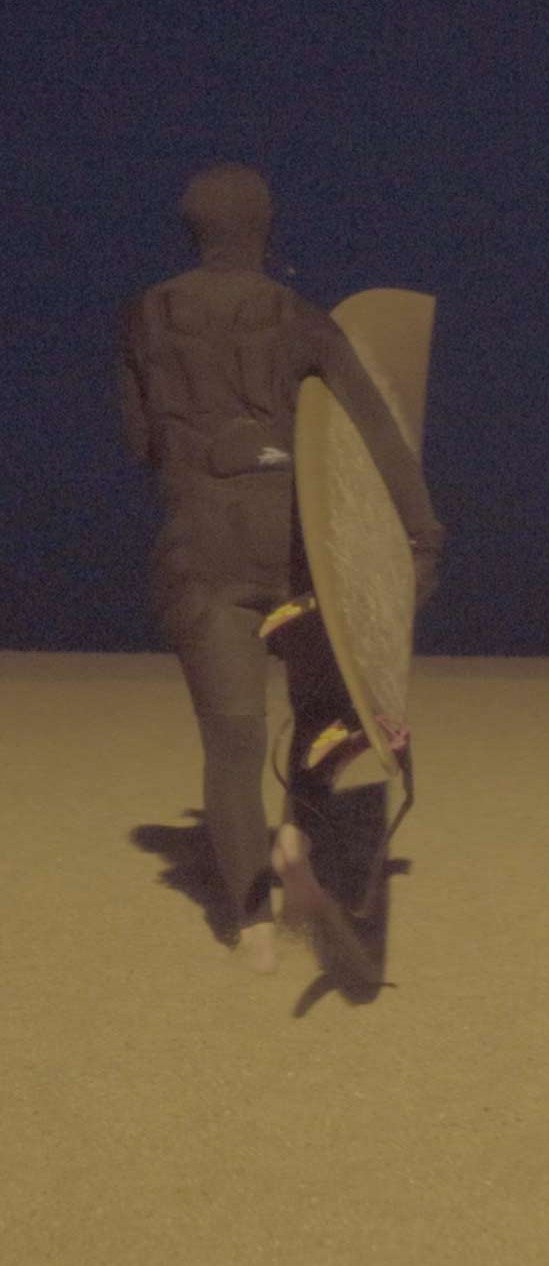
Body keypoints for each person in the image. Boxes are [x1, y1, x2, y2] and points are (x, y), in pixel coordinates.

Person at [118, 164, 444, 973]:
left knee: (232, 741)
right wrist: (420, 536)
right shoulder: (297, 317)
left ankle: (252, 922)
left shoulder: (144, 318)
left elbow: (140, 443)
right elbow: (378, 430)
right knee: (321, 710)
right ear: (262, 229)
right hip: (294, 552)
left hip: (199, 554)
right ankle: (298, 835)